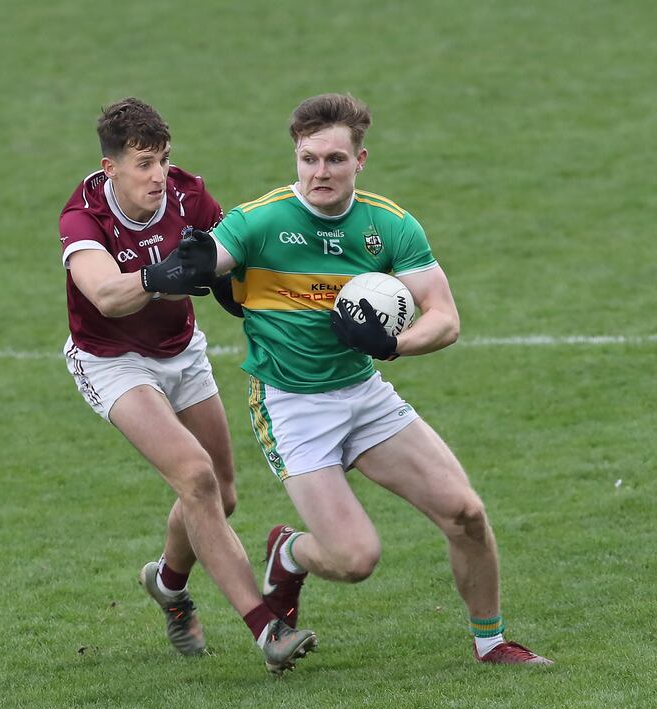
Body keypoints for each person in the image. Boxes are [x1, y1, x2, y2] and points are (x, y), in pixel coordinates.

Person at [159, 93, 552, 665]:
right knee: (355, 558)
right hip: (293, 406)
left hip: (364, 396)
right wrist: (195, 262)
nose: (321, 172)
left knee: (465, 512)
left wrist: (393, 345)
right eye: (310, 158)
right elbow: (217, 255)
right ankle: (290, 555)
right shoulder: (260, 219)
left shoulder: (387, 225)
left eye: (335, 160)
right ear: (296, 156)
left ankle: (490, 644)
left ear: (359, 160)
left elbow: (444, 318)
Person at [58, 97, 316, 674]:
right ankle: (266, 629)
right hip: (112, 360)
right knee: (194, 476)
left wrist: (242, 289)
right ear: (111, 169)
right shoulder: (82, 217)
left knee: (220, 495)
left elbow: (232, 261)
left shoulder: (188, 194)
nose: (158, 176)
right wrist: (161, 276)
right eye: (144, 164)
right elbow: (105, 295)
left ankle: (168, 583)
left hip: (180, 352)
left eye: (163, 160)